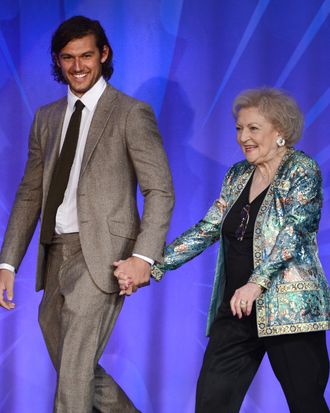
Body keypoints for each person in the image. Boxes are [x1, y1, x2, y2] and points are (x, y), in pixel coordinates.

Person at [0, 15, 174, 413]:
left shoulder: (131, 113)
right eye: (67, 57)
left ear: (103, 55)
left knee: (75, 372)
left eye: (86, 56)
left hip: (103, 256)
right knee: (75, 371)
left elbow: (160, 190)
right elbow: (29, 193)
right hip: (54, 253)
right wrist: (8, 261)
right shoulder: (46, 118)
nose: (77, 66)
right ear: (58, 61)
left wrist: (143, 257)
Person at [119, 88, 330, 412]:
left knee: (306, 404)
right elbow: (207, 229)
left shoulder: (302, 170)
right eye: (239, 128)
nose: (243, 137)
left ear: (280, 132)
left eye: (253, 128)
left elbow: (293, 234)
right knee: (211, 403)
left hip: (290, 310)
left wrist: (255, 284)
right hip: (237, 309)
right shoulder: (236, 175)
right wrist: (153, 265)